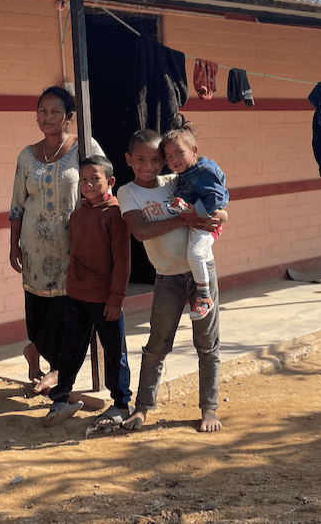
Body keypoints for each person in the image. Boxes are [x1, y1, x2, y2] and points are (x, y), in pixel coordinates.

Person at [117, 125, 226, 433]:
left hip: (201, 274)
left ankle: (209, 409)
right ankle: (142, 408)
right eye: (141, 160)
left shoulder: (174, 181)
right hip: (167, 278)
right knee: (157, 345)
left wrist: (218, 216)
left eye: (156, 160)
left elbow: (217, 208)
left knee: (207, 344)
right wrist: (182, 218)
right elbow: (140, 231)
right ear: (128, 160)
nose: (149, 166)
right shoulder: (128, 193)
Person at [9, 86, 103, 393]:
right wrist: (13, 245)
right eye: (42, 111)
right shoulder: (26, 155)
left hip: (72, 248)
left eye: (55, 112)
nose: (47, 117)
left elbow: (103, 184)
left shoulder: (84, 147)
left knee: (71, 309)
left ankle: (56, 369)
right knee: (40, 308)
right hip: (34, 249)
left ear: (69, 118)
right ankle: (38, 352)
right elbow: (17, 206)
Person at [43, 155, 132, 427]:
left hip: (106, 300)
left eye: (95, 179)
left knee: (115, 352)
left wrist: (116, 299)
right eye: (83, 180)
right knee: (68, 351)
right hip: (77, 297)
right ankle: (60, 399)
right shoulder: (78, 215)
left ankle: (120, 404)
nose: (89, 184)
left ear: (110, 182)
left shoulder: (115, 214)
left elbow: (123, 261)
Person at [161, 120, 228, 320]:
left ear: (194, 150)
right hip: (196, 221)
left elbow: (217, 198)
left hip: (205, 224)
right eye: (169, 157)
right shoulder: (183, 175)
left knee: (196, 255)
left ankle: (205, 297)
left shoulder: (204, 171)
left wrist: (194, 211)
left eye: (179, 153)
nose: (174, 160)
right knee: (195, 255)